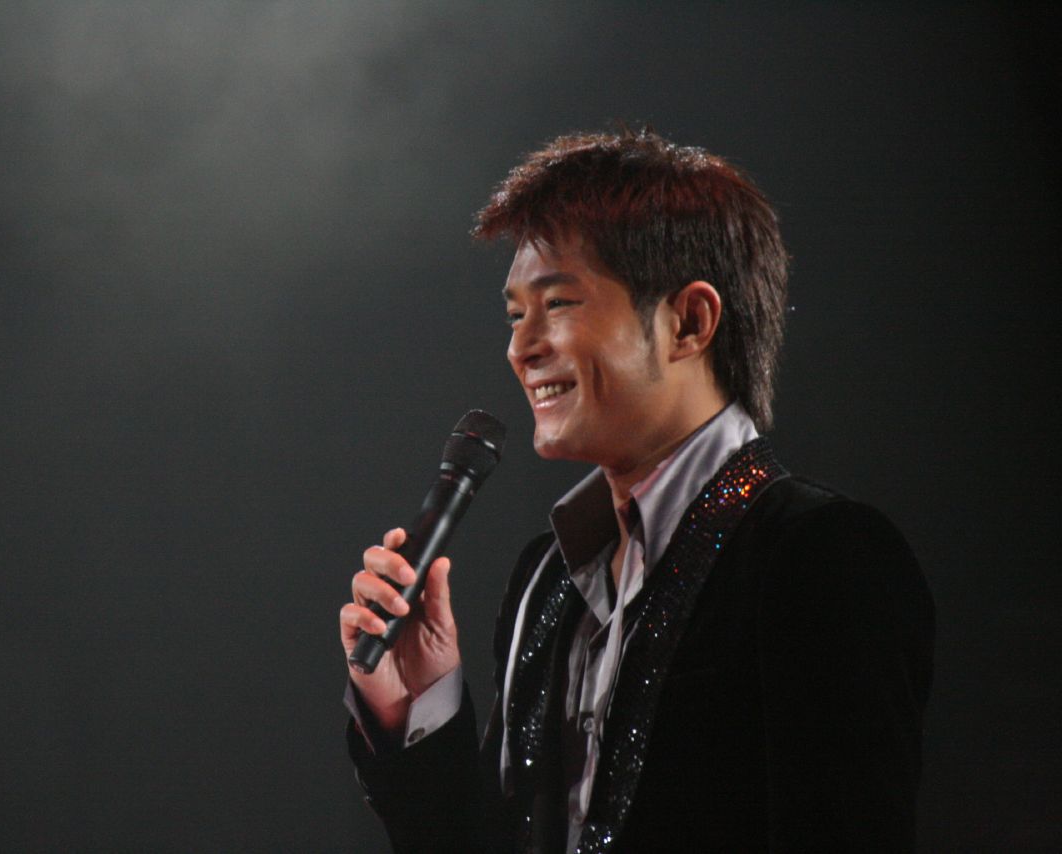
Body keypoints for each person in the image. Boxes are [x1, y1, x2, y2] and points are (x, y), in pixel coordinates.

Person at [338, 128, 934, 853]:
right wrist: (418, 711)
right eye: (516, 314)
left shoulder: (821, 556)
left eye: (559, 303)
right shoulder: (545, 581)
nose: (521, 347)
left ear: (689, 321)